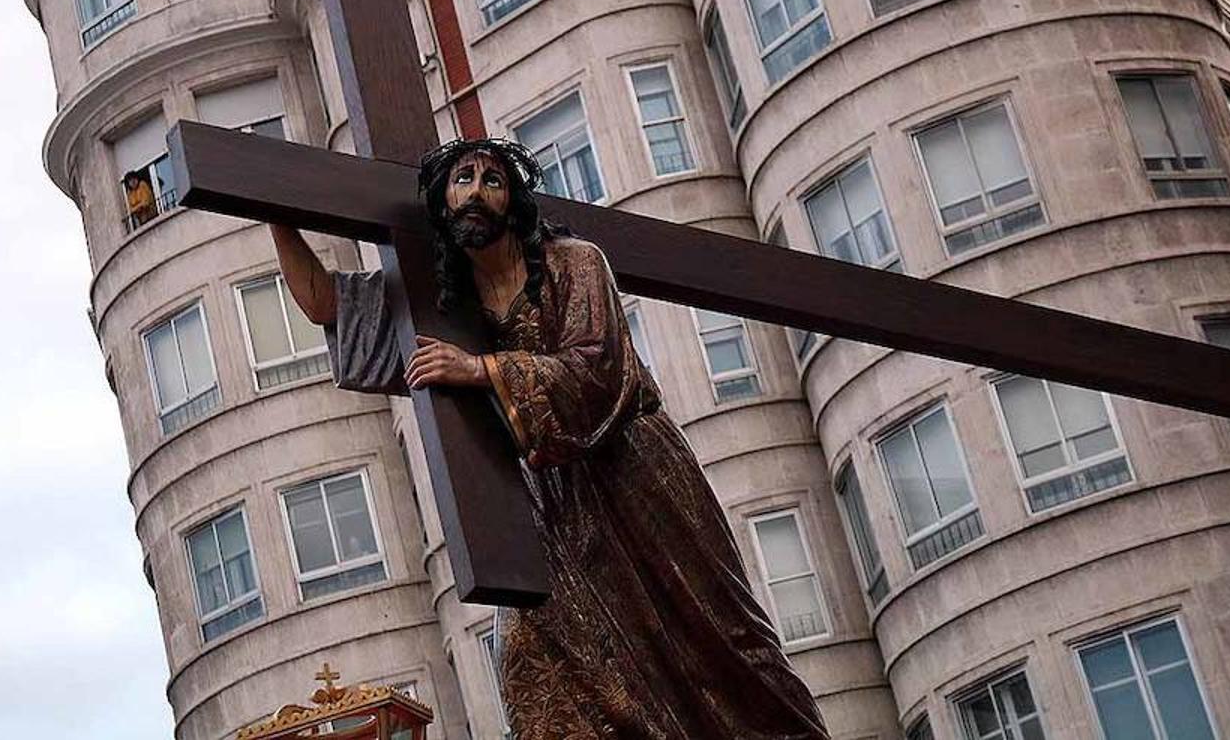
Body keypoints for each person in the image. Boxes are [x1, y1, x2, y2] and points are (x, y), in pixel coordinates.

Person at [270, 138, 829, 739]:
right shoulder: (443, 303)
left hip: (635, 472)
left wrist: (481, 368)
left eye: (493, 180)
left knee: (718, 633)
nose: (478, 192)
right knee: (541, 669)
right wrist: (276, 210)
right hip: (549, 506)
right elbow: (326, 304)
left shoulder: (574, 262)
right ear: (441, 201)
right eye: (463, 179)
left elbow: (599, 368)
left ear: (513, 199)